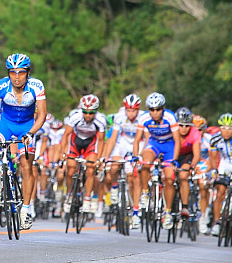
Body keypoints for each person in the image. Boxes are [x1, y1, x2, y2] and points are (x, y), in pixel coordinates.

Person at [0, 53, 47, 231]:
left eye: (21, 72)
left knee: (26, 166)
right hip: (6, 125)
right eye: (13, 72)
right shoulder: (0, 85)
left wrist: (31, 133)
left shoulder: (36, 86)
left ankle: (25, 211)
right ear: (8, 73)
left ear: (28, 72)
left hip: (27, 126)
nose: (17, 77)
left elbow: (42, 115)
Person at [134, 92, 179, 230]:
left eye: (158, 109)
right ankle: (145, 193)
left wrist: (175, 160)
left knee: (169, 178)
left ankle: (168, 212)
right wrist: (136, 156)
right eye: (152, 109)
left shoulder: (170, 117)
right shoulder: (144, 118)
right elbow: (137, 140)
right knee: (145, 163)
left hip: (169, 146)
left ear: (163, 108)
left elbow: (177, 141)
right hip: (154, 143)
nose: (155, 112)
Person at [59, 94, 107, 215]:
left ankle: (87, 199)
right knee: (70, 170)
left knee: (91, 170)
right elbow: (66, 135)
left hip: (90, 144)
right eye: (85, 112)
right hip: (76, 142)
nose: (87, 115)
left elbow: (101, 141)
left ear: (95, 112)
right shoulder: (75, 116)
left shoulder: (100, 120)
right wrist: (62, 152)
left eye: (91, 113)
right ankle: (70, 195)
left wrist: (99, 159)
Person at [102, 93, 144, 229]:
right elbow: (113, 139)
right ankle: (114, 187)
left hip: (139, 144)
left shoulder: (143, 118)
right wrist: (106, 156)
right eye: (128, 110)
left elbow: (148, 138)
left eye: (133, 111)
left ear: (138, 110)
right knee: (113, 167)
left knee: (133, 177)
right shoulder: (120, 117)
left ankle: (135, 208)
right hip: (123, 143)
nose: (130, 114)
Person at [208, 113, 232, 236]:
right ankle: (217, 222)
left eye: (229, 128)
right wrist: (214, 170)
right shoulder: (215, 139)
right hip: (225, 163)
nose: (226, 131)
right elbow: (213, 158)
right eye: (223, 127)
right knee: (220, 192)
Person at [174, 107, 201, 221]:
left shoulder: (195, 133)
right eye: (181, 125)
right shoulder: (172, 130)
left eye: (187, 125)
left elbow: (196, 155)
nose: (184, 128)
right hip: (173, 154)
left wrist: (191, 167)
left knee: (183, 176)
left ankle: (184, 207)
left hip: (187, 156)